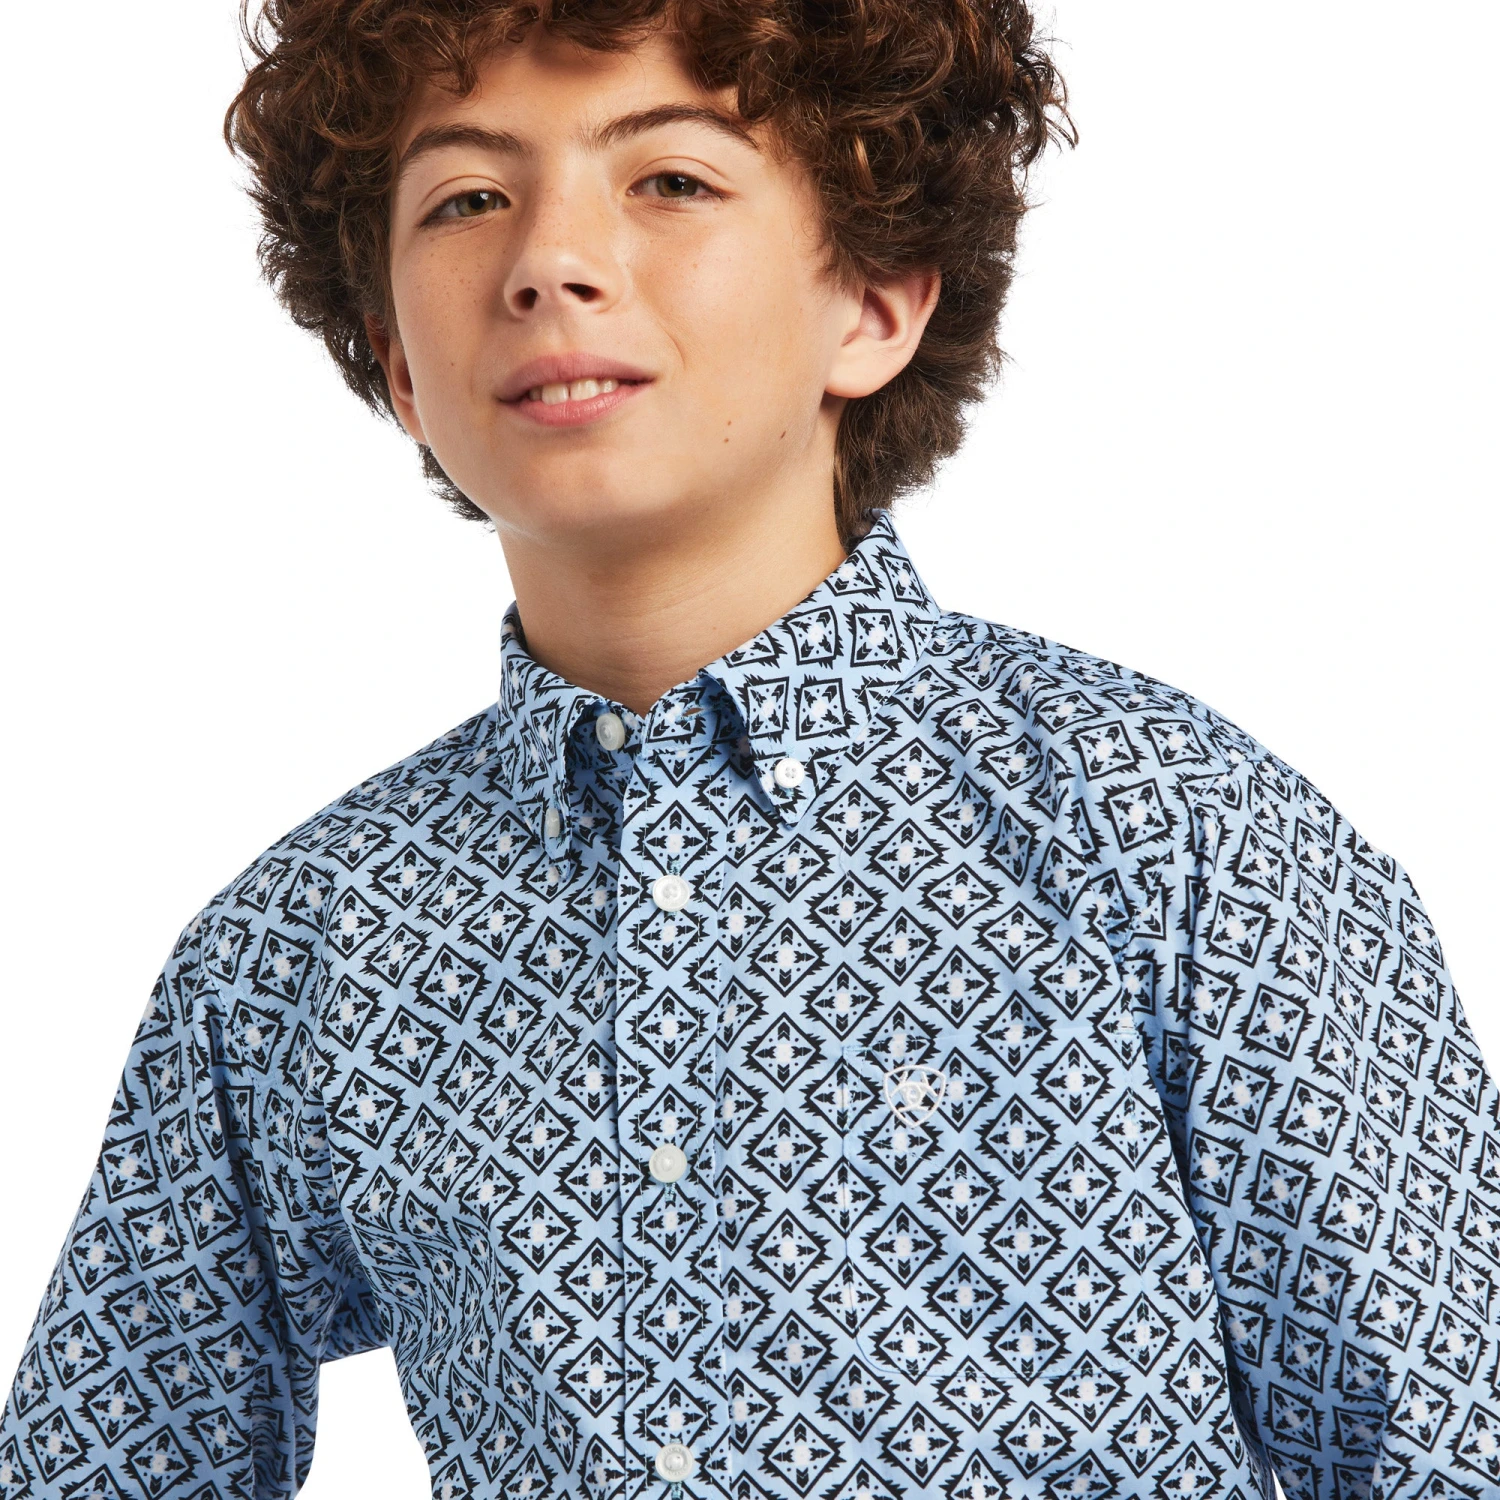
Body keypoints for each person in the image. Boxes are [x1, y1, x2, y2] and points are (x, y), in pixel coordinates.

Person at [0, 2, 1493, 1497]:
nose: (549, 262)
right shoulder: (300, 954)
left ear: (877, 301)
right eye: (466, 198)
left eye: (672, 180)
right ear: (396, 357)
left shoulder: (1177, 838)